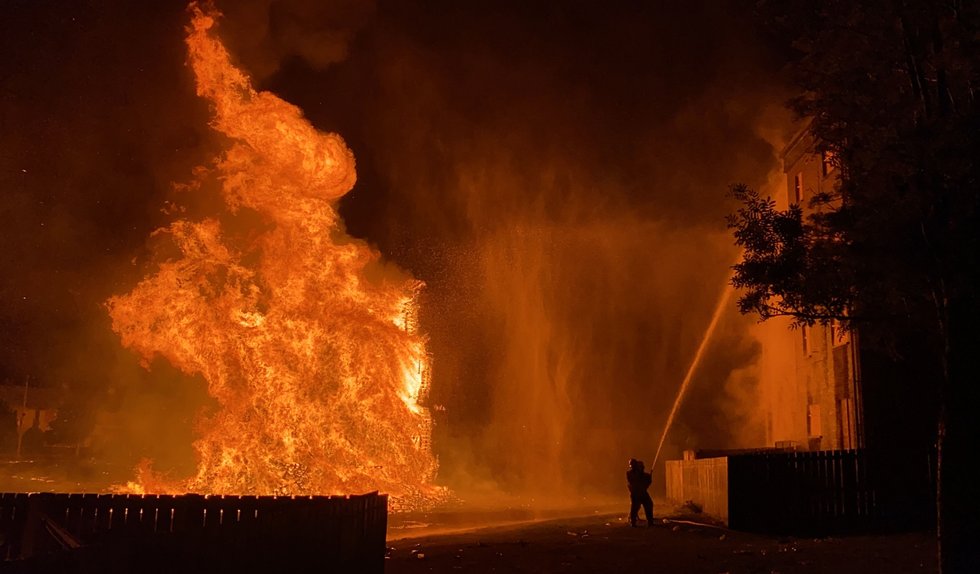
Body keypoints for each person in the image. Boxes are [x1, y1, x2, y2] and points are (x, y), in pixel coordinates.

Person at [626, 458, 654, 527]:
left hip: (642, 492)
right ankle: (633, 522)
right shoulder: (630, 473)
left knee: (649, 505)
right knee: (635, 508)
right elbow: (637, 480)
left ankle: (650, 521)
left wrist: (649, 478)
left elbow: (646, 483)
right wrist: (647, 477)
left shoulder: (640, 473)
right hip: (636, 494)